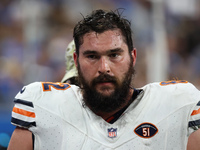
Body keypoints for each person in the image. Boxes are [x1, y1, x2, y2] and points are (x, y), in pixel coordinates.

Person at [8, 9, 200, 150]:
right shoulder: (41, 105)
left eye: (114, 55)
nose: (104, 68)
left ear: (133, 57)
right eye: (92, 56)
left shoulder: (179, 103)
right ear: (77, 61)